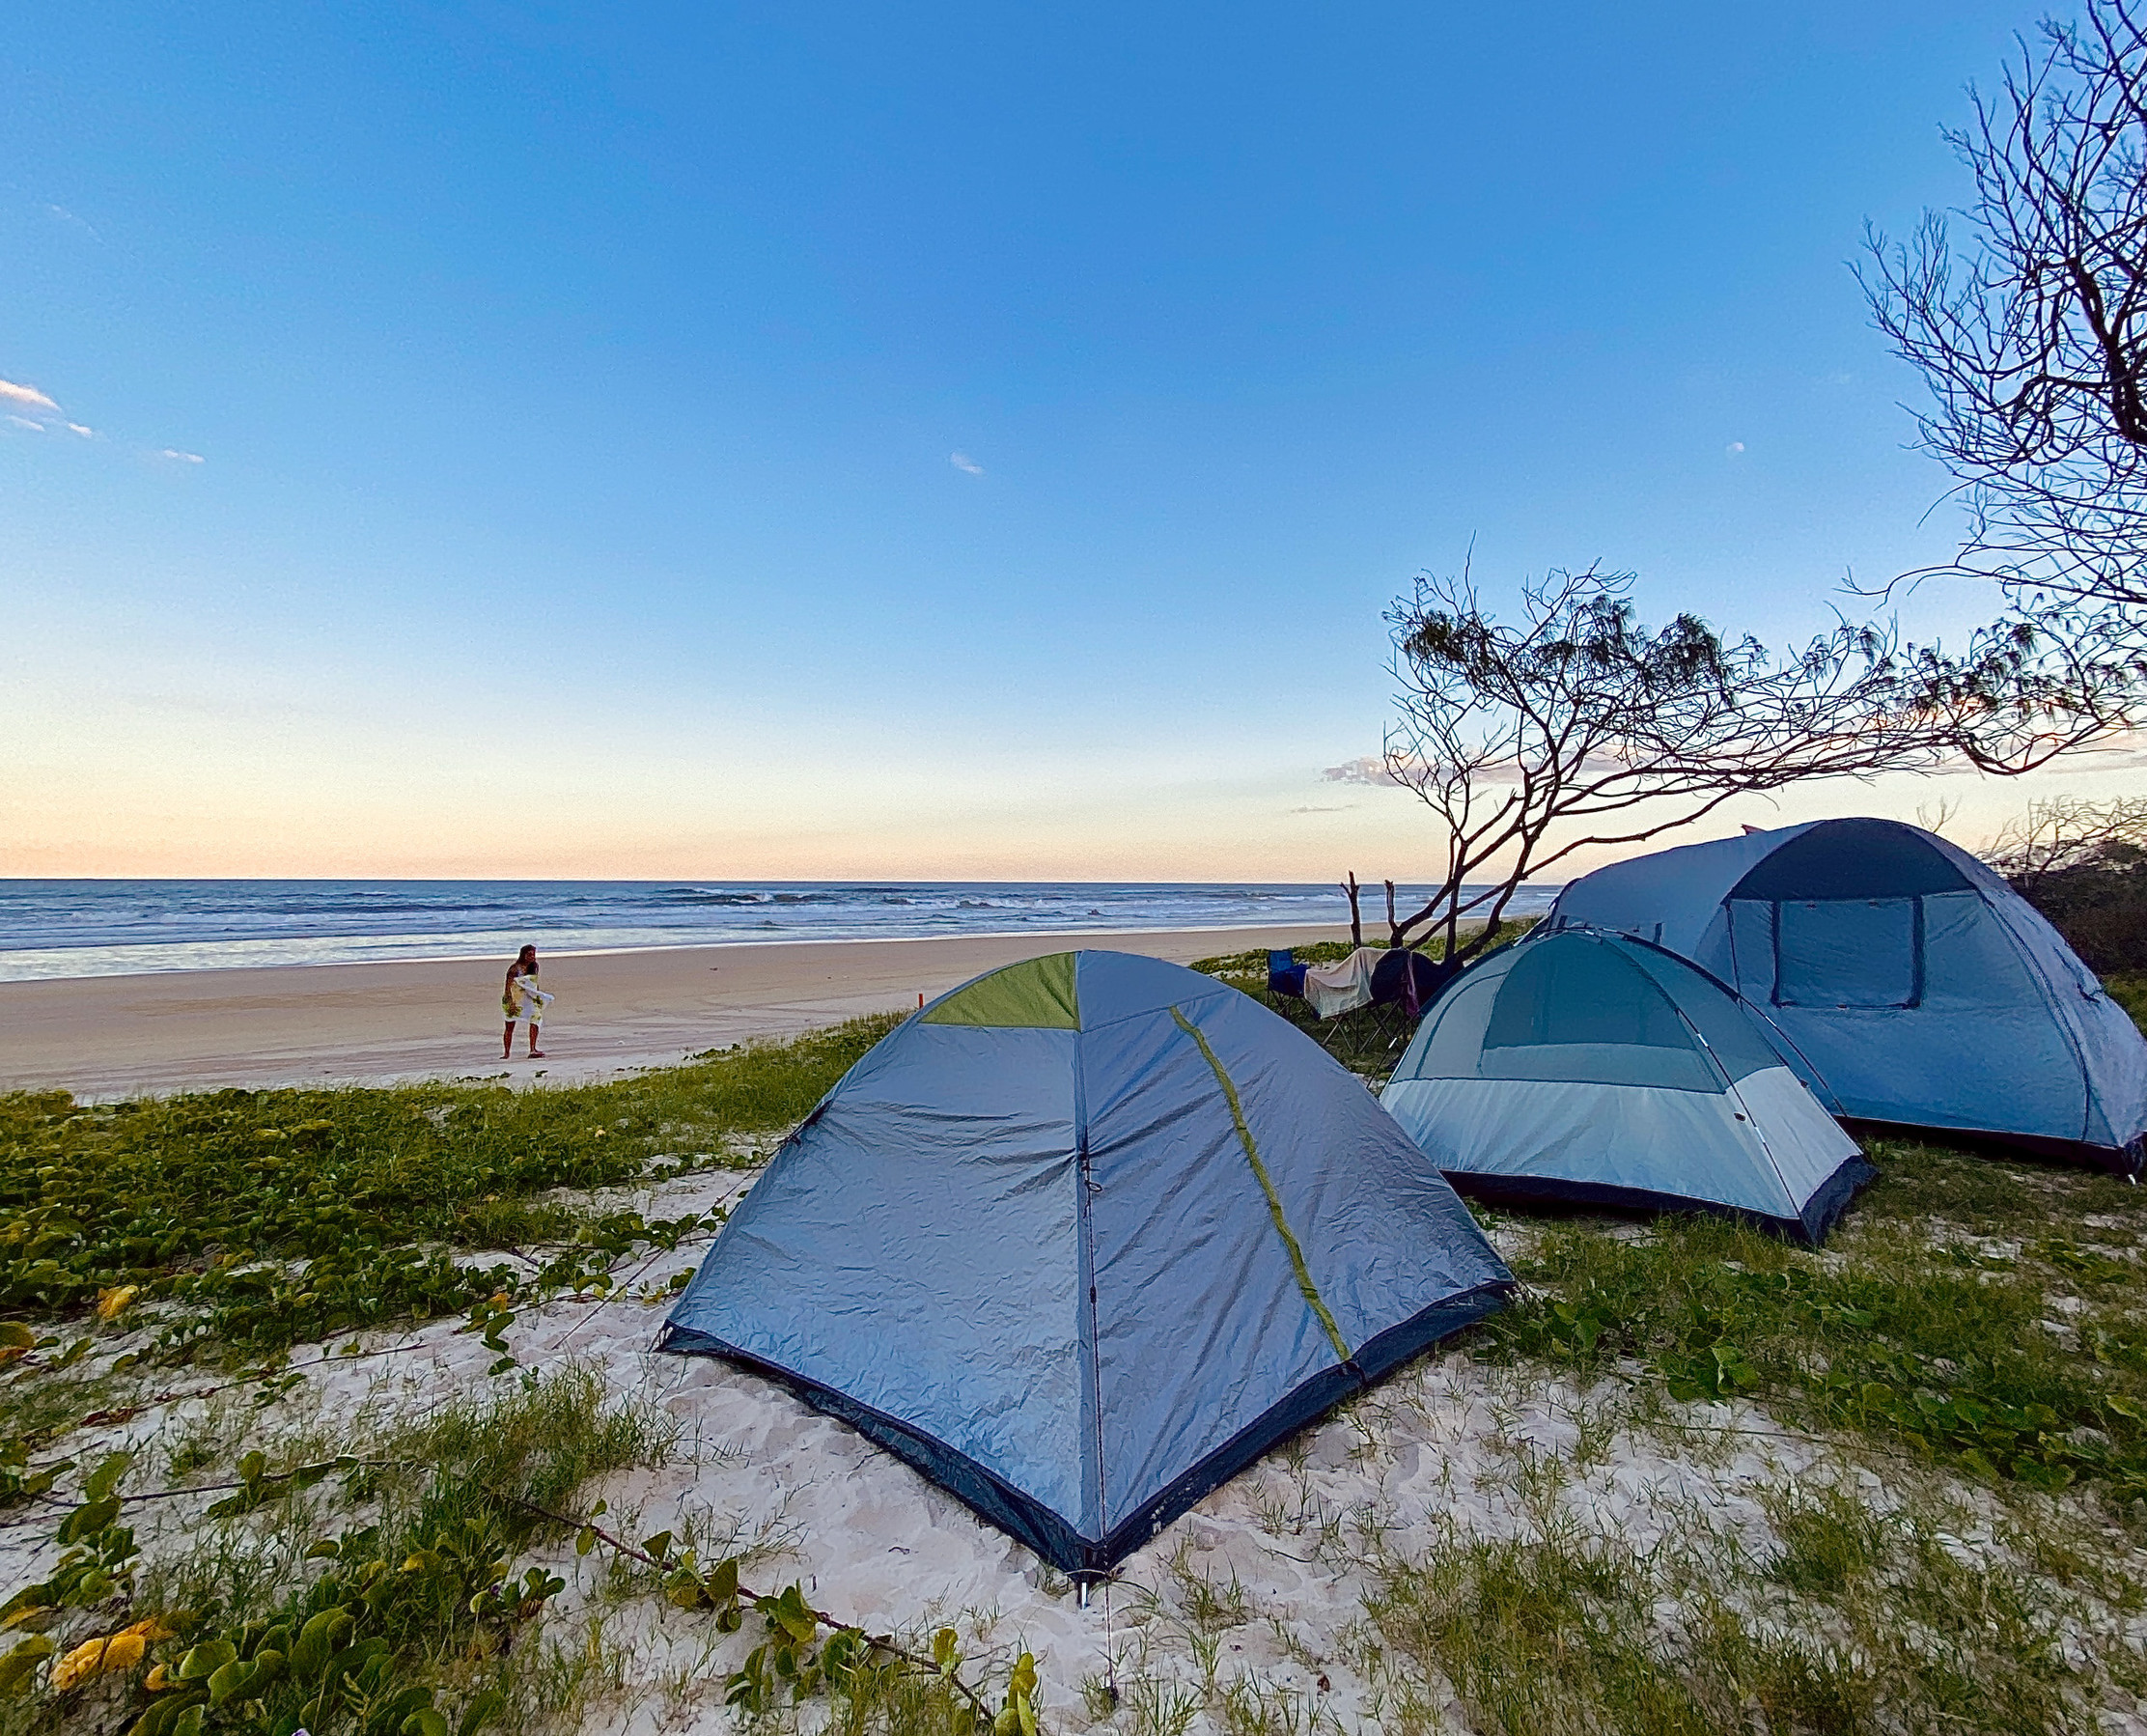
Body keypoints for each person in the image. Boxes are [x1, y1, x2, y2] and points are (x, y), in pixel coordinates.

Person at [502, 944, 552, 1059]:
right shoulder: (514, 968)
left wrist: (537, 996)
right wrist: (510, 1002)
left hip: (529, 998)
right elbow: (508, 986)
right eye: (529, 954)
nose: (532, 957)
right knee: (510, 1025)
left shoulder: (534, 966)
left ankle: (533, 1049)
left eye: (533, 954)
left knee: (535, 1019)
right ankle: (506, 1053)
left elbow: (532, 984)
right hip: (515, 998)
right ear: (523, 955)